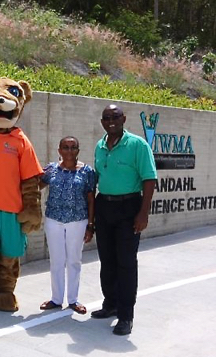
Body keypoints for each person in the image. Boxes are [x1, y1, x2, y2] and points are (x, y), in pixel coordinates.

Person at [91, 104, 156, 336]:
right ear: (102, 121)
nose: (111, 121)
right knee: (107, 259)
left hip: (129, 207)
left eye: (115, 117)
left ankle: (126, 316)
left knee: (126, 263)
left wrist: (143, 212)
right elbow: (97, 176)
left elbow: (149, 179)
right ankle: (111, 304)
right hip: (104, 206)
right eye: (106, 117)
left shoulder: (138, 145)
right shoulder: (100, 146)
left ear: (124, 119)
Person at [39, 136, 96, 315]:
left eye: (73, 147)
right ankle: (56, 299)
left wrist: (91, 225)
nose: (69, 151)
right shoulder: (51, 169)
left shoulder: (87, 172)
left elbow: (91, 198)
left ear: (78, 150)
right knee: (56, 260)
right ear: (59, 150)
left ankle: (72, 300)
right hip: (53, 220)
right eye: (65, 147)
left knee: (74, 260)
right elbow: (35, 187)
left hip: (77, 221)